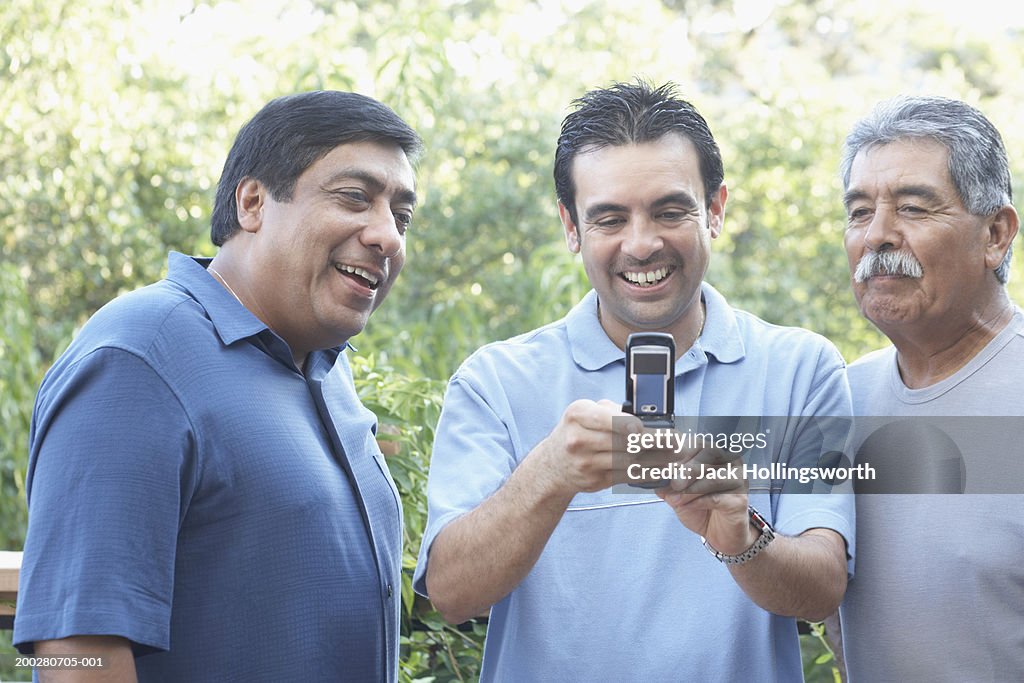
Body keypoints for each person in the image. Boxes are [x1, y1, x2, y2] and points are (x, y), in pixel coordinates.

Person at [413, 81, 854, 682]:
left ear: (716, 210)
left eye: (671, 211)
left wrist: (740, 533)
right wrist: (550, 473)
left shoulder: (801, 369)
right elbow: (451, 594)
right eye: (610, 218)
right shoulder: (495, 381)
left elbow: (823, 590)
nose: (642, 244)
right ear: (571, 228)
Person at [14, 90, 422, 681]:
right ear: (253, 202)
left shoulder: (326, 368)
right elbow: (69, 647)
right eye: (355, 197)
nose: (388, 236)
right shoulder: (140, 357)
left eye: (402, 216)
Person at [837, 95, 1024, 681]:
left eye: (914, 208)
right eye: (859, 212)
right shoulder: (841, 399)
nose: (878, 236)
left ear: (995, 233)